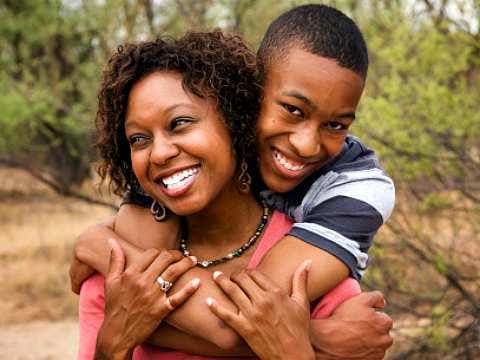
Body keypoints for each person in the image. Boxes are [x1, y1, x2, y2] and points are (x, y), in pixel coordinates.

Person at [73, 4, 394, 358]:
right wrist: (111, 342)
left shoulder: (342, 222)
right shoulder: (115, 276)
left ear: (233, 113)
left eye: (180, 123)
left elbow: (232, 324)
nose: (306, 143)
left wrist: (98, 247)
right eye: (138, 139)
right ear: (253, 101)